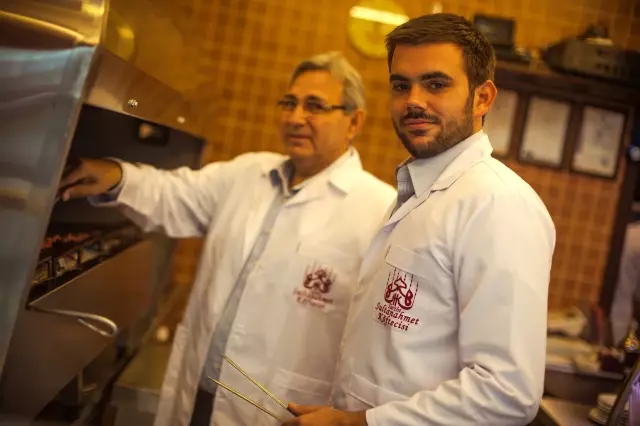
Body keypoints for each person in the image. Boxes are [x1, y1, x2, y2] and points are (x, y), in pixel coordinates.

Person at [58, 51, 396, 426]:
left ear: (354, 121)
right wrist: (118, 176)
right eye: (290, 103)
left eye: (314, 106)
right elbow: (175, 194)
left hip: (278, 410)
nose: (296, 117)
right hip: (197, 396)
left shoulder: (379, 210)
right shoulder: (247, 173)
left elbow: (383, 339)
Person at [282, 14, 555, 426]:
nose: (414, 100)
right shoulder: (418, 191)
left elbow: (506, 392)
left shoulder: (499, 205)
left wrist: (356, 423)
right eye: (401, 85)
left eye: (436, 84)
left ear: (482, 98)